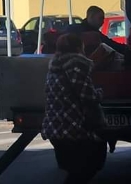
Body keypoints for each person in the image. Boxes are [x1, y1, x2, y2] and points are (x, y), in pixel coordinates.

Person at [42, 32, 107, 184]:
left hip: (56, 128)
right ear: (78, 48)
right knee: (89, 166)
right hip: (73, 128)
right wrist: (100, 93)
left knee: (76, 171)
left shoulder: (54, 66)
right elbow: (86, 95)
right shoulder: (76, 64)